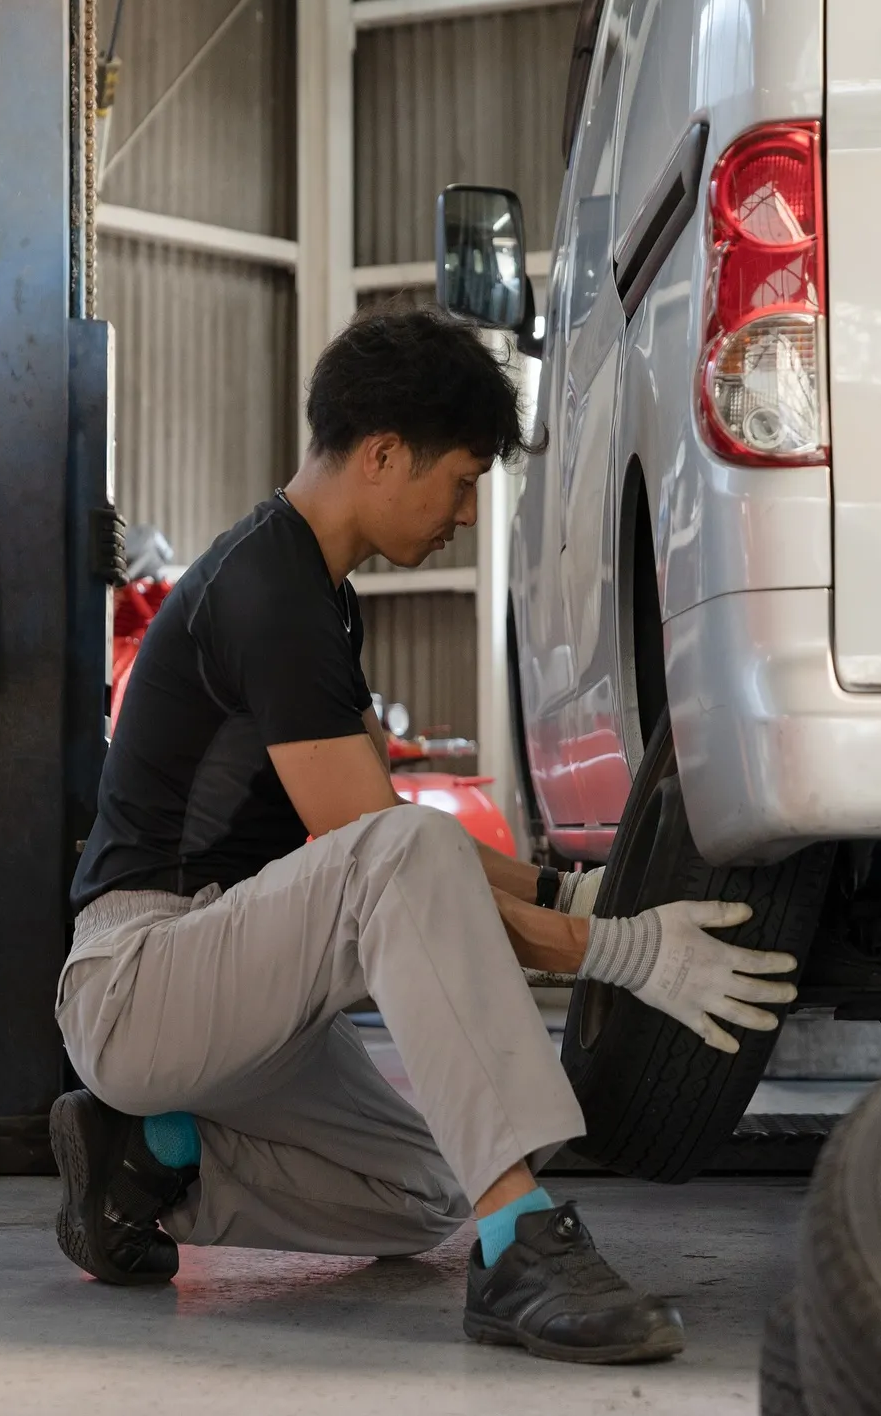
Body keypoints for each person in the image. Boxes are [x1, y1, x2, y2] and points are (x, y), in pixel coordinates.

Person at [50, 305, 797, 1365]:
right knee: (408, 865)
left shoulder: (320, 596)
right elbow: (388, 859)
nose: (464, 511)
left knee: (426, 1184)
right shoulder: (267, 594)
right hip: (142, 979)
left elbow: (385, 832)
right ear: (383, 454)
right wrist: (624, 954)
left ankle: (156, 1163)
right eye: (462, 480)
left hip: (239, 989)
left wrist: (565, 893)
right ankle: (522, 1247)